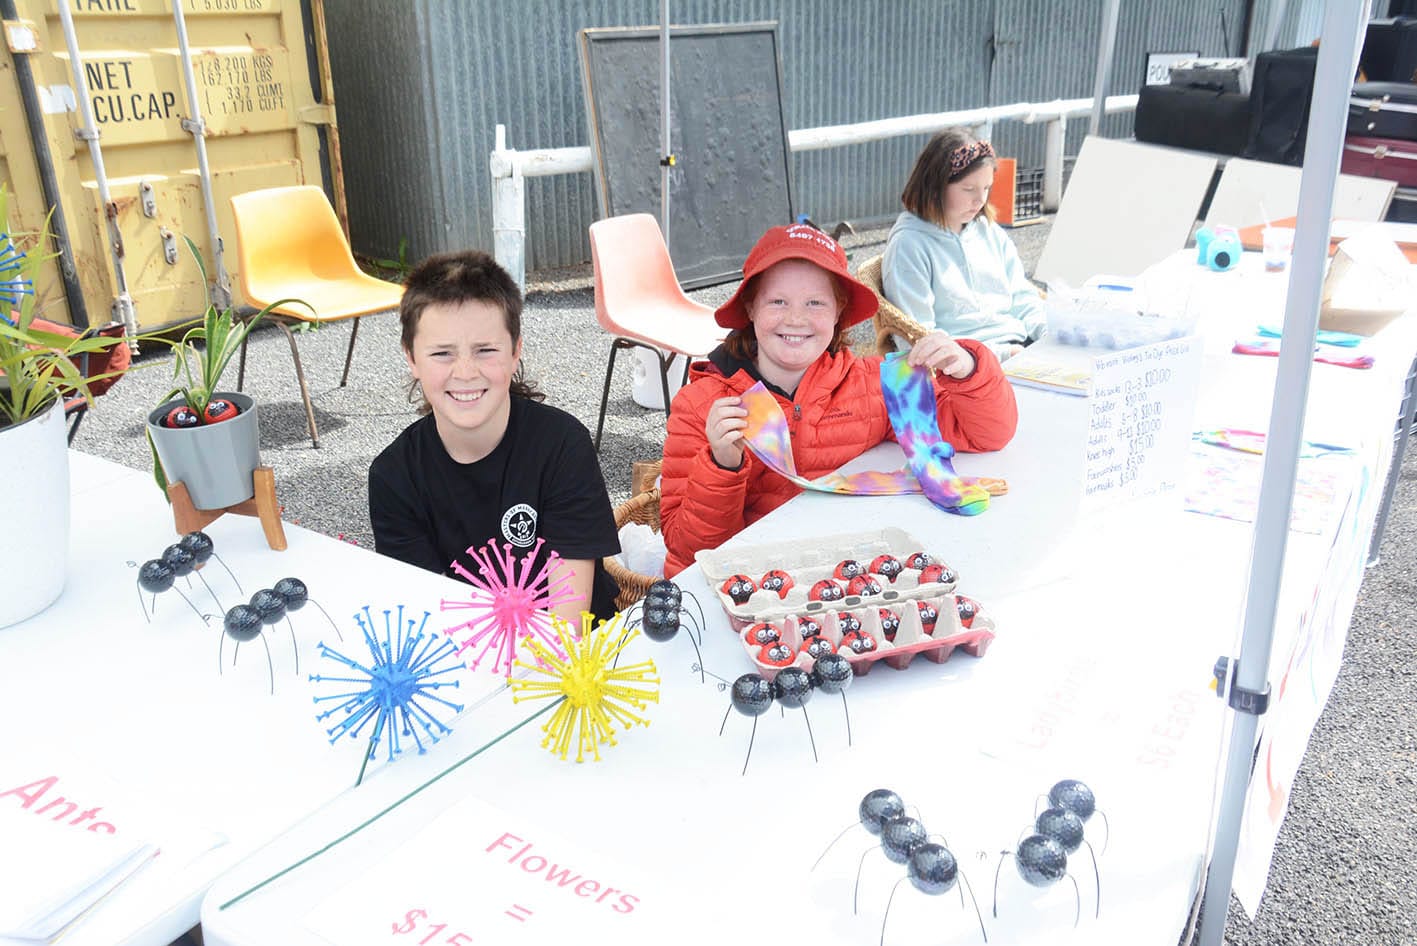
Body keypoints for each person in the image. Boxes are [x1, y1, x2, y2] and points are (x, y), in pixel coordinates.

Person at [659, 223, 1019, 577]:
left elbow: (986, 435)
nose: (796, 318)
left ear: (839, 311)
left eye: (815, 303)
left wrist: (968, 368)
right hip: (744, 584)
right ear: (751, 307)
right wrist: (722, 465)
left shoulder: (873, 385)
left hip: (840, 574)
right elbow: (688, 551)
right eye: (778, 301)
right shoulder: (702, 405)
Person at [368, 251, 620, 623]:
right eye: (442, 353)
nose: (465, 372)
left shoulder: (562, 446)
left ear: (515, 351)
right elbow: (426, 612)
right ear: (411, 358)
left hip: (576, 648)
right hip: (467, 644)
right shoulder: (394, 476)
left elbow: (569, 624)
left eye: (485, 350)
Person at [882, 127, 1047, 362]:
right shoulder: (909, 246)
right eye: (969, 189)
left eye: (987, 188)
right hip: (965, 367)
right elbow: (920, 338)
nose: (980, 200)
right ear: (935, 186)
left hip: (1020, 348)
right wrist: (999, 354)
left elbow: (1022, 296)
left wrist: (1047, 333)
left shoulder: (989, 231)